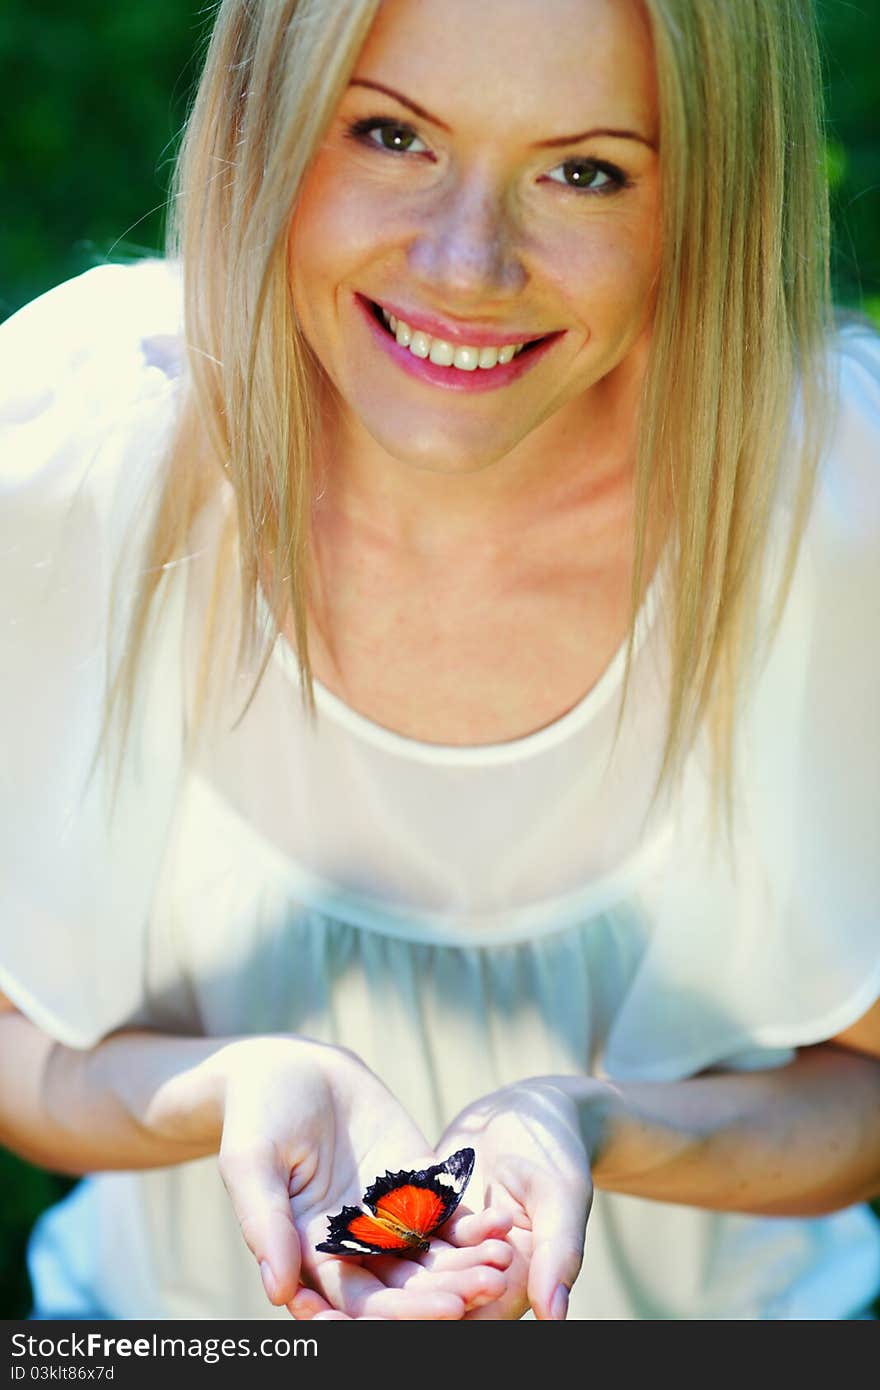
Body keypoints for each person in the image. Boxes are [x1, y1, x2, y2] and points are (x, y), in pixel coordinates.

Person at [1, 0, 879, 1322]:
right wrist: (229, 1085)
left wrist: (597, 1124)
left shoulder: (830, 510)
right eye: (390, 133)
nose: (468, 264)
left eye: (586, 169)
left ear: (711, 183)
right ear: (266, 115)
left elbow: (860, 1098)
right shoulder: (78, 453)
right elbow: (24, 1049)